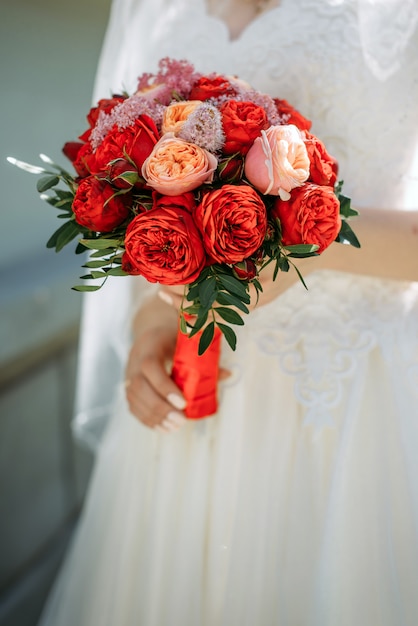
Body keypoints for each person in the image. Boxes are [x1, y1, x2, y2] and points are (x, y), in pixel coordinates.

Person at [39, 0, 418, 624]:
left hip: (355, 398)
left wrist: (314, 249)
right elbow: (144, 196)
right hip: (197, 398)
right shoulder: (162, 18)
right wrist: (151, 323)